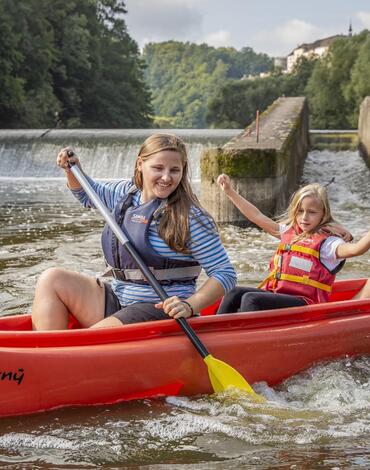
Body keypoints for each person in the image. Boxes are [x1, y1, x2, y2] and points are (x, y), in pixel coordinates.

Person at [32, 134, 237, 330]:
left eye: (174, 170)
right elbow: (87, 195)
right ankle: (44, 354)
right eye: (158, 168)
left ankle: (68, 355)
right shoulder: (126, 194)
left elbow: (224, 273)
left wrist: (190, 306)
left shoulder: (190, 217)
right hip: (120, 298)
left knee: (90, 339)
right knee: (52, 278)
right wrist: (72, 170)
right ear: (140, 164)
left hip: (160, 309)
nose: (166, 177)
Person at [216, 174, 370, 314]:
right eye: (300, 211)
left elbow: (357, 249)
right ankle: (217, 334)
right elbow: (256, 216)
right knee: (233, 293)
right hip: (279, 297)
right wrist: (229, 191)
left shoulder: (329, 244)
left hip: (306, 304)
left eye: (312, 212)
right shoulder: (289, 232)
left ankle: (246, 340)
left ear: (323, 214)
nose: (304, 217)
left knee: (250, 299)